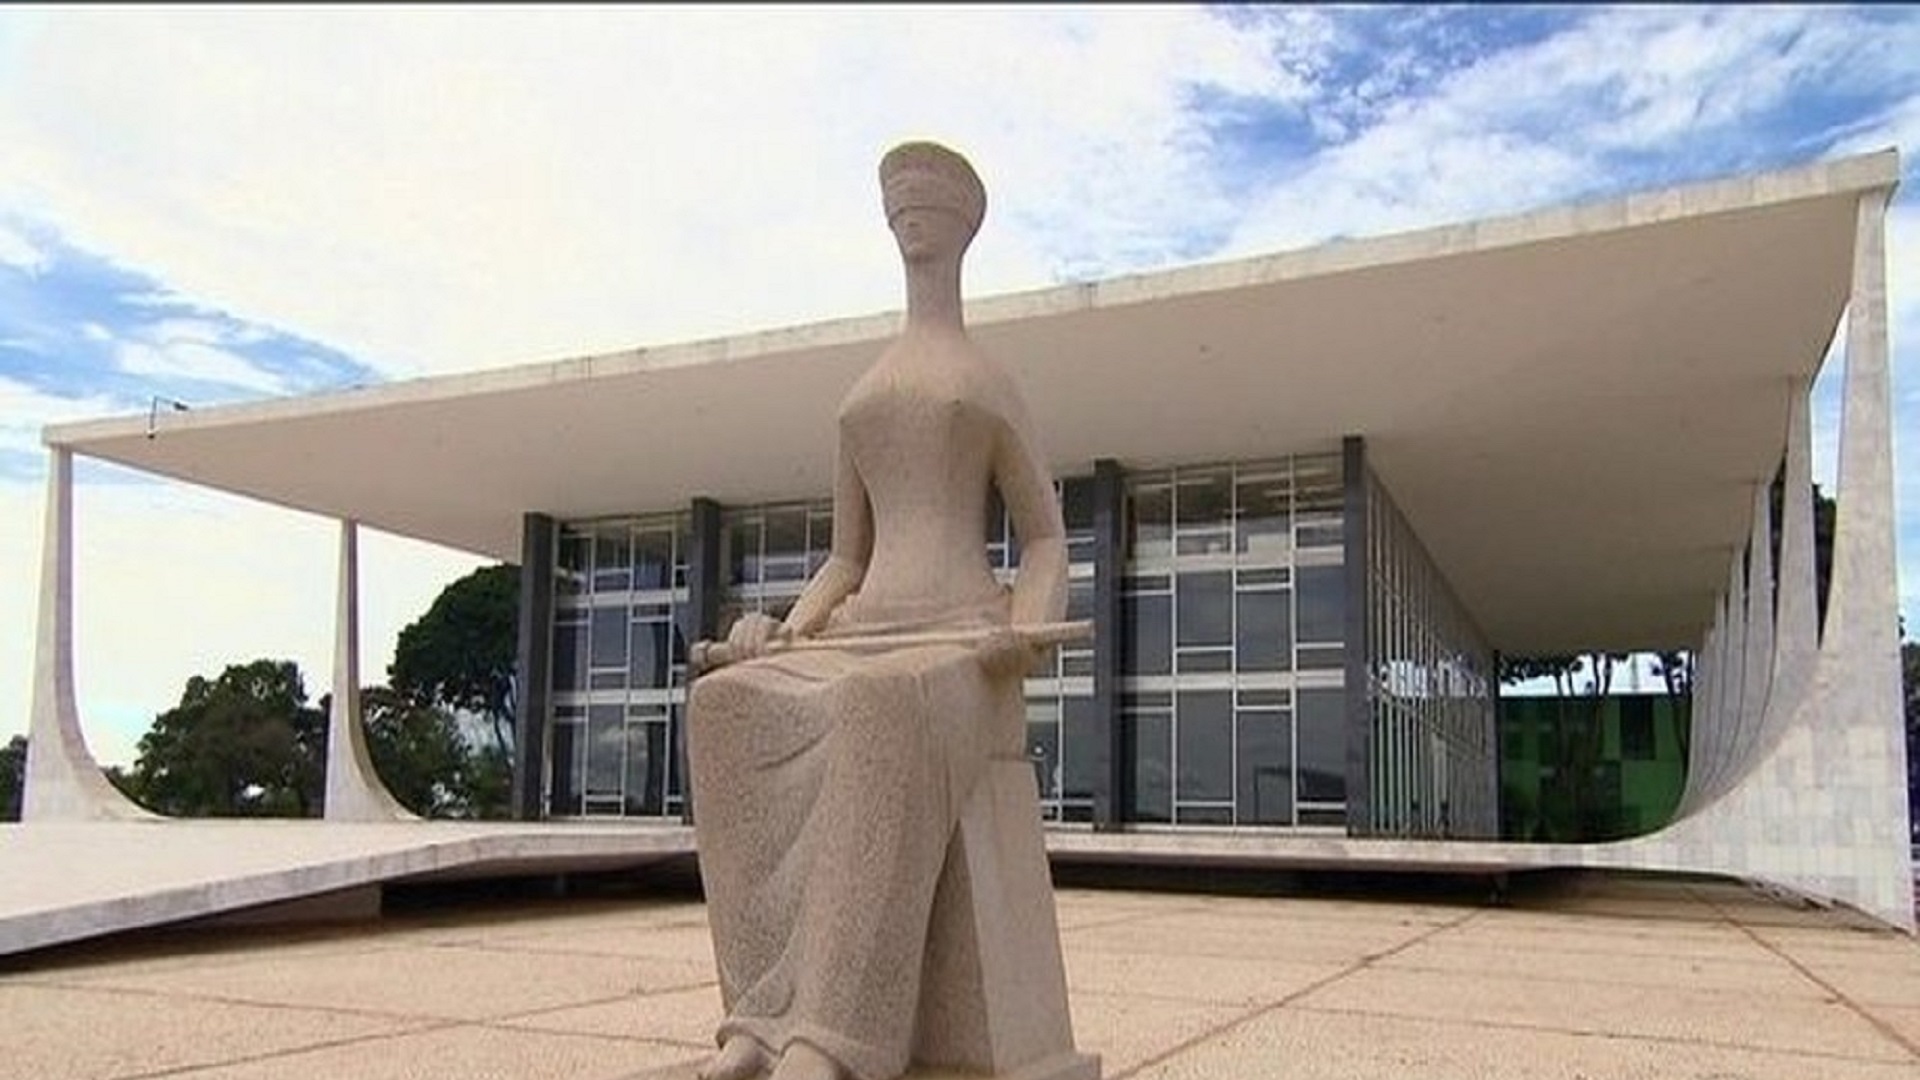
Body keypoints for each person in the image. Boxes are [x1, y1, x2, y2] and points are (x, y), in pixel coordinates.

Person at [686, 141, 1069, 1080]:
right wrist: (784, 631)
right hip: (864, 633)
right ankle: (760, 1017)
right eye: (900, 199)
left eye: (932, 199)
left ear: (965, 224)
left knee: (879, 708)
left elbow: (1048, 541)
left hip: (963, 643)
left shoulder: (988, 381)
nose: (914, 213)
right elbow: (846, 558)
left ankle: (836, 1036)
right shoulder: (860, 396)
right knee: (725, 710)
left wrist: (1024, 631)